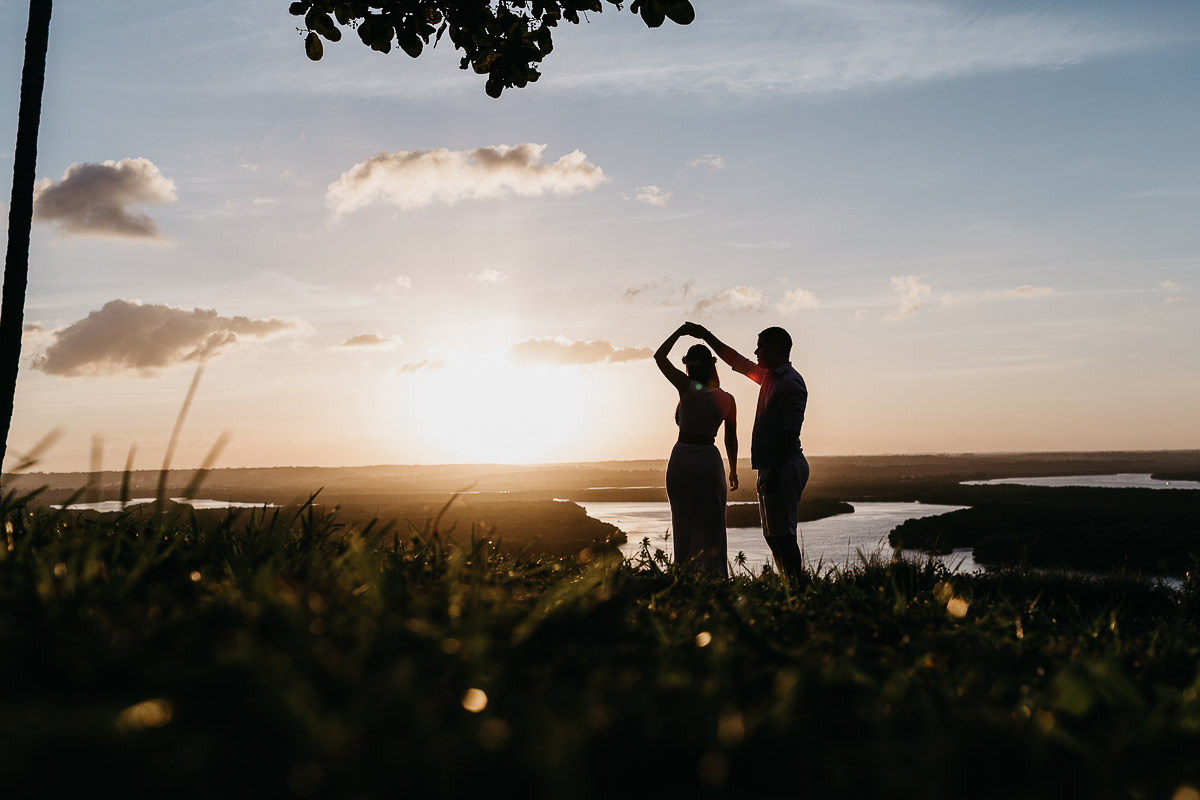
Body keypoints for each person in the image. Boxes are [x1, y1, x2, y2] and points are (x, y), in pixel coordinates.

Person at [684, 322, 808, 580]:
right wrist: (706, 335)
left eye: (761, 346)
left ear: (777, 348)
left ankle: (797, 588)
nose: (756, 352)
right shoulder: (768, 377)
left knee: (783, 535)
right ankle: (789, 586)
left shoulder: (790, 383)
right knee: (773, 535)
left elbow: (790, 433)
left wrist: (775, 473)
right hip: (772, 467)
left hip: (782, 467)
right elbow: (736, 360)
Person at [654, 324, 738, 576]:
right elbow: (730, 439)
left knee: (684, 522)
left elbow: (659, 357)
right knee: (714, 523)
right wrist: (733, 469)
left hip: (682, 458)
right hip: (710, 462)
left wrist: (679, 332)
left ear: (689, 366)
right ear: (713, 366)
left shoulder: (686, 386)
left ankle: (685, 575)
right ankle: (715, 576)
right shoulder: (728, 399)